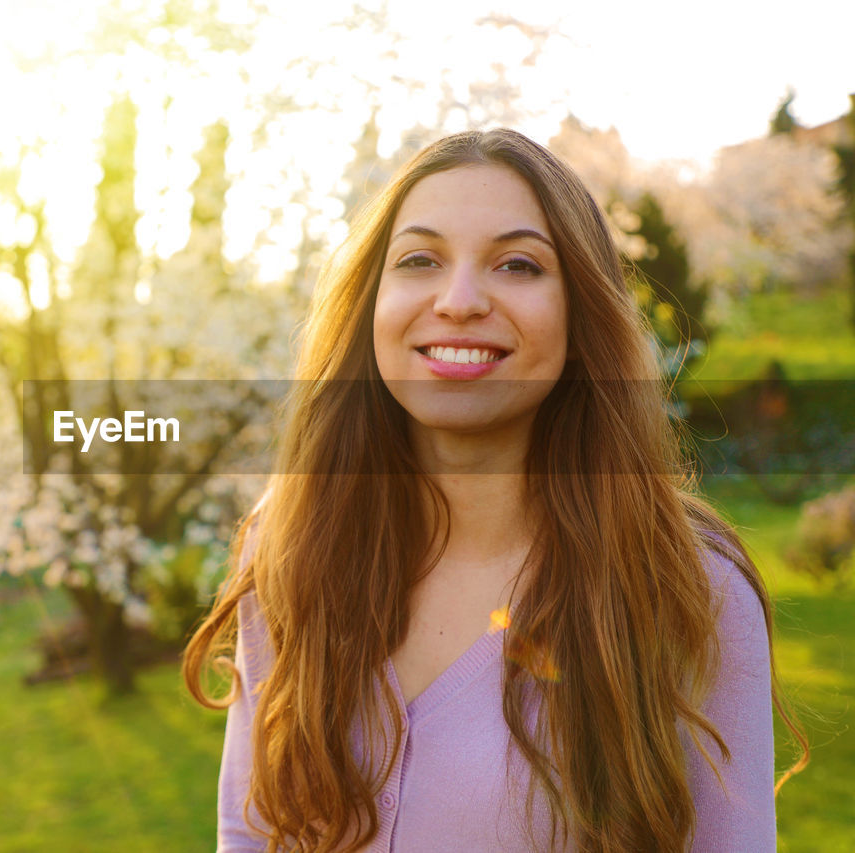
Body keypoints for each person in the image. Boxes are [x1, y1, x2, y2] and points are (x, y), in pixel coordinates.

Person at [182, 128, 808, 852]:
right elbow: (249, 828)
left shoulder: (691, 589)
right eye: (419, 259)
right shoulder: (290, 543)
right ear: (370, 305)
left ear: (580, 316)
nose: (459, 300)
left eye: (517, 264)